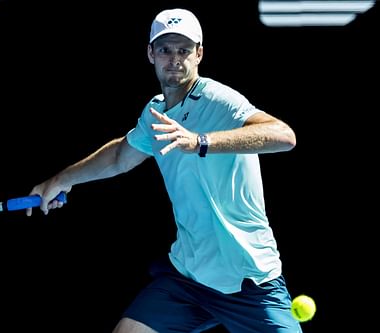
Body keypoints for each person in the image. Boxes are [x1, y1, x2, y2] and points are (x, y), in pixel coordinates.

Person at [27, 8, 302, 333]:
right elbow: (119, 156)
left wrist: (200, 141)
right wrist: (60, 180)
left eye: (184, 50)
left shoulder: (218, 100)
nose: (175, 59)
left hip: (249, 279)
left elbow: (283, 136)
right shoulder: (155, 112)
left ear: (199, 54)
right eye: (165, 49)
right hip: (189, 277)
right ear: (150, 54)